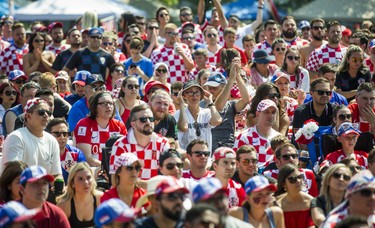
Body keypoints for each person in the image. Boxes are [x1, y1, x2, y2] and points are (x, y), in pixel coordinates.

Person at [3, 98, 62, 179]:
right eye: (41, 112)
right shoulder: (16, 137)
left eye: (48, 112)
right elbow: (13, 175)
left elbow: (56, 175)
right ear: (28, 116)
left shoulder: (52, 140)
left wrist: (59, 185)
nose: (46, 115)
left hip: (42, 190)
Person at [110, 104, 170, 180]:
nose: (148, 122)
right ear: (133, 124)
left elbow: (169, 176)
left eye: (151, 119)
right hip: (130, 191)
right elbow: (115, 179)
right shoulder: (121, 145)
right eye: (143, 119)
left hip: (155, 190)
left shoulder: (163, 143)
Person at [74, 91, 127, 167]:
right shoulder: (84, 125)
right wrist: (108, 168)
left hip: (114, 170)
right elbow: (87, 159)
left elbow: (125, 153)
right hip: (91, 170)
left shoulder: (119, 126)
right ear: (95, 107)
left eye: (110, 103)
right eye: (104, 103)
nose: (108, 106)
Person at [207, 60, 250, 150]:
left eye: (214, 88)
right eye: (209, 87)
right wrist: (231, 79)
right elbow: (218, 107)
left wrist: (237, 76)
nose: (211, 90)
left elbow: (246, 99)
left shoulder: (231, 105)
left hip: (228, 145)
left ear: (224, 87)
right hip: (210, 146)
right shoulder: (204, 104)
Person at [174, 80, 222, 151]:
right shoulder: (178, 114)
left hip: (205, 156)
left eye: (197, 92)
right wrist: (181, 103)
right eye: (190, 92)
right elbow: (183, 127)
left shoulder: (207, 112)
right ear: (183, 95)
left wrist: (210, 103)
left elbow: (217, 121)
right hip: (187, 157)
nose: (194, 95)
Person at [234, 99, 281, 167]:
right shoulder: (244, 137)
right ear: (257, 114)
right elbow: (237, 164)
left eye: (273, 112)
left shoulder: (279, 138)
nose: (270, 115)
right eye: (266, 112)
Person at [56, 162, 102, 228]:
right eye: (80, 179)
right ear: (72, 183)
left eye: (89, 177)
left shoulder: (101, 199)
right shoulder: (64, 205)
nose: (86, 183)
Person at [45, 118, 86, 183]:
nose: (62, 137)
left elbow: (83, 179)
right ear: (47, 135)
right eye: (57, 134)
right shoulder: (41, 153)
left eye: (65, 134)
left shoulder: (77, 154)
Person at [275, 164, 314, 228]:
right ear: (284, 184)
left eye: (300, 177)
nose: (298, 181)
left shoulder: (311, 202)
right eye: (292, 179)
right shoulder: (278, 205)